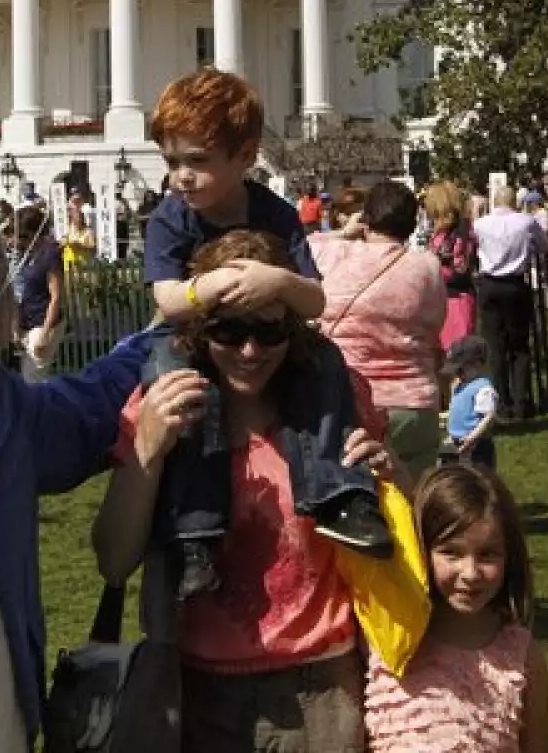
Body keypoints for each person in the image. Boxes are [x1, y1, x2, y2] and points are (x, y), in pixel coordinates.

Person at [93, 230, 397, 752]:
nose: (250, 351)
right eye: (229, 333)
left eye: (269, 332)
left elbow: (396, 528)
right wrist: (147, 448)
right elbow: (114, 561)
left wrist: (391, 476)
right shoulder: (166, 402)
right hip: (198, 686)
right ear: (198, 332)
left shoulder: (330, 405)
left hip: (320, 681)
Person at [141, 68, 391, 592]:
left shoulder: (273, 213)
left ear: (245, 156)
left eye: (197, 161)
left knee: (325, 361)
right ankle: (195, 533)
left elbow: (316, 300)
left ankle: (339, 494)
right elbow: (165, 298)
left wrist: (274, 279)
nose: (182, 176)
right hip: (194, 337)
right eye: (172, 161)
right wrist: (207, 289)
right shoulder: (170, 218)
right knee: (174, 379)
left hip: (266, 335)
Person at [364, 465, 548, 752]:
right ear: (421, 548)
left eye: (487, 554)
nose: (471, 573)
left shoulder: (522, 657)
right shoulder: (384, 640)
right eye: (451, 552)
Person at [311, 180, 447, 481]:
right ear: (413, 225)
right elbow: (436, 322)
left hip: (349, 396)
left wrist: (344, 232)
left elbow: (303, 244)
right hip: (414, 398)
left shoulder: (334, 254)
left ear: (366, 218)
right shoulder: (427, 267)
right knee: (414, 497)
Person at [473, 185, 544, 419]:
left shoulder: (480, 224)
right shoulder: (526, 222)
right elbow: (543, 246)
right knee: (519, 346)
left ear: (494, 201)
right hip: (515, 283)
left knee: (495, 346)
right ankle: (521, 401)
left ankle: (501, 402)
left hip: (490, 283)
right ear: (514, 201)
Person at [11, 206, 64, 382]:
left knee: (32, 379)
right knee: (33, 378)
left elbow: (56, 296)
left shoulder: (50, 255)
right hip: (28, 322)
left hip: (43, 323)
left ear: (37, 233)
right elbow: (22, 291)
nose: (19, 241)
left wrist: (45, 333)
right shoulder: (28, 255)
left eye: (24, 236)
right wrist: (17, 324)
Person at [425, 182, 478, 352]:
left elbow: (459, 271)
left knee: (456, 357)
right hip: (441, 301)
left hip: (456, 301)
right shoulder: (444, 232)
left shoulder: (460, 233)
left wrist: (430, 267)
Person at [441, 335, 499, 470]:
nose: (457, 373)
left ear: (477, 364)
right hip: (457, 441)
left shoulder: (482, 388)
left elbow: (489, 417)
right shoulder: (459, 385)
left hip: (476, 444)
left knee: (478, 477)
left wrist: (473, 437)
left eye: (461, 369)